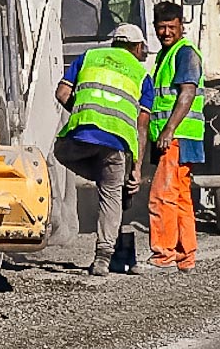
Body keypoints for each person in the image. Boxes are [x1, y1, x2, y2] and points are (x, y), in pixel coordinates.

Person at [54, 23, 153, 277]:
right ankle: (103, 258)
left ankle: (105, 178)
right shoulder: (142, 76)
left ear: (114, 42)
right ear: (138, 47)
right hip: (117, 143)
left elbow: (62, 92)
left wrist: (84, 111)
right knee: (112, 193)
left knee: (59, 151)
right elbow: (142, 127)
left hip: (81, 136)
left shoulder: (89, 56)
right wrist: (137, 169)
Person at [147, 0, 206, 271]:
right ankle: (186, 257)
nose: (166, 32)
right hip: (182, 137)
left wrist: (168, 130)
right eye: (161, 27)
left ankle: (163, 254)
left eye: (171, 26)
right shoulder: (164, 56)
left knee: (162, 195)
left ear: (182, 25)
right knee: (181, 197)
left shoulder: (185, 53)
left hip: (178, 137)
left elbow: (188, 92)